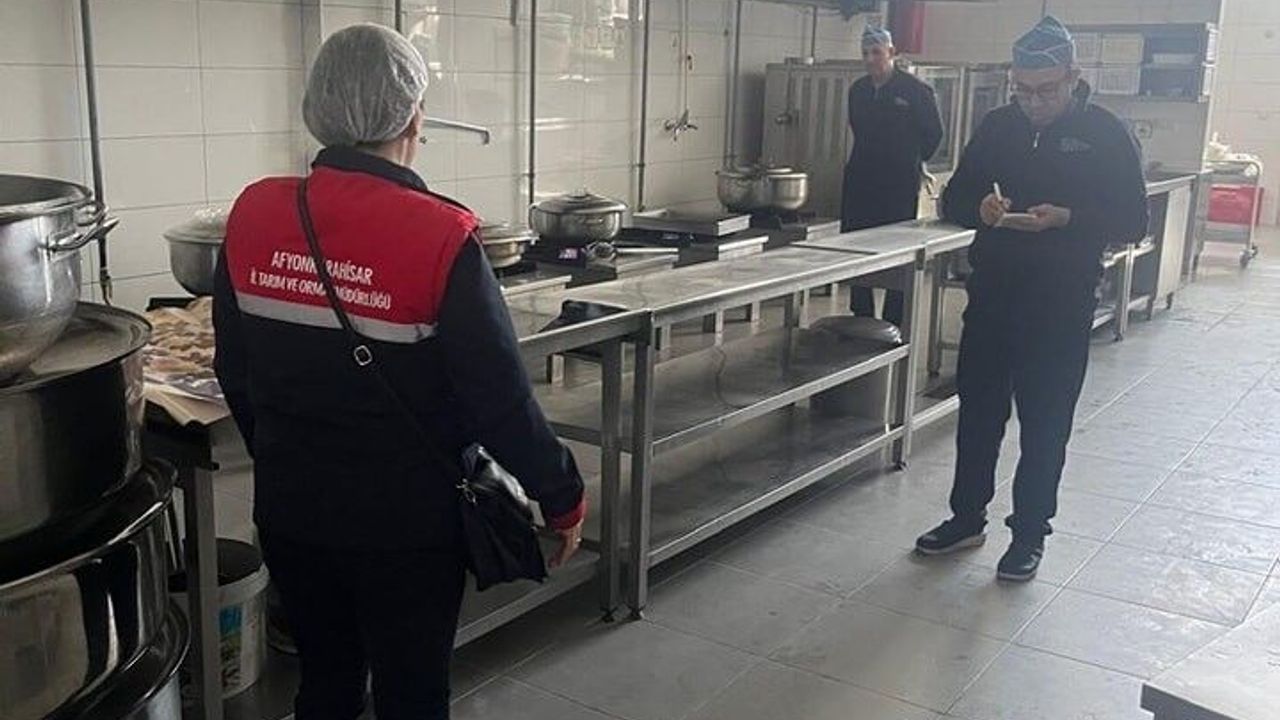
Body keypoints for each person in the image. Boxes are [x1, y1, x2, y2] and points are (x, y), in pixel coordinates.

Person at [212, 24, 586, 720]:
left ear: (316, 109)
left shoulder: (254, 212)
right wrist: (560, 495)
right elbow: (498, 399)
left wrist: (287, 455)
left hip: (292, 512)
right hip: (409, 530)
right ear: (414, 118)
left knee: (325, 683)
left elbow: (234, 369)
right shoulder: (441, 235)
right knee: (411, 695)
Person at [915, 16, 1149, 581]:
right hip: (994, 296)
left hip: (1060, 303)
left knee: (1045, 424)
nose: (1034, 103)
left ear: (1072, 76)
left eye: (1045, 91)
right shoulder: (999, 126)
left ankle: (1028, 534)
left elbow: (1133, 220)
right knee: (978, 415)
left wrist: (1068, 218)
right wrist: (981, 209)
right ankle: (966, 518)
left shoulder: (1104, 134)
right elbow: (955, 198)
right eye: (1023, 90)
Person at [842, 24, 945, 327]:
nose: (870, 59)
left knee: (897, 246)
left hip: (898, 182)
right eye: (865, 53)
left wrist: (912, 159)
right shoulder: (858, 91)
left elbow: (934, 133)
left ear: (891, 52)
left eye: (876, 52)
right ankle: (861, 315)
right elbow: (858, 128)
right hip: (861, 177)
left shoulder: (915, 91)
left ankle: (894, 318)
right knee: (857, 245)